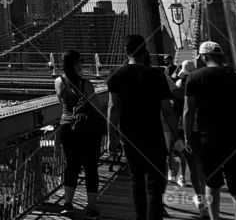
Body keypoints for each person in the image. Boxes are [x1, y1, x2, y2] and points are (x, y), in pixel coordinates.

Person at [108, 34, 178, 220]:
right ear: (145, 50)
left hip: (129, 136)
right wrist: (177, 136)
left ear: (126, 51)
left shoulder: (116, 76)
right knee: (155, 184)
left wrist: (111, 137)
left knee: (136, 180)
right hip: (154, 135)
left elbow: (113, 108)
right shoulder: (156, 75)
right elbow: (168, 110)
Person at [183, 41, 236, 220]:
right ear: (220, 56)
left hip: (208, 139)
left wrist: (188, 137)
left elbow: (188, 111)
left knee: (212, 183)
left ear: (204, 57)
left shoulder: (194, 77)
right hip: (235, 138)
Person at [55, 49, 104, 218]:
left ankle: (68, 204)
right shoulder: (86, 84)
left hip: (66, 127)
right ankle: (91, 207)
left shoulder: (58, 82)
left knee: (72, 166)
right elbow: (96, 106)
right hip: (87, 129)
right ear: (76, 64)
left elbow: (62, 101)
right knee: (91, 167)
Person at [175, 59, 208, 217]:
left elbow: (177, 111)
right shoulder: (202, 83)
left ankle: (201, 201)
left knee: (192, 167)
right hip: (202, 128)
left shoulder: (178, 87)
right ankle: (205, 199)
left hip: (185, 129)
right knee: (202, 167)